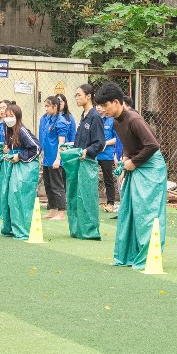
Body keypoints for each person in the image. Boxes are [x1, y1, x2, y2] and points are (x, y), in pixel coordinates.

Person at [96, 82, 168, 269]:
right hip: (136, 165)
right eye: (101, 106)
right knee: (129, 210)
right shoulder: (116, 122)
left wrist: (133, 163)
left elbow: (153, 145)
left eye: (105, 105)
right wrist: (125, 161)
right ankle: (128, 256)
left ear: (116, 102)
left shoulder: (134, 119)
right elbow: (128, 145)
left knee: (147, 212)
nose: (103, 109)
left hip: (151, 167)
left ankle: (148, 257)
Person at [60, 84, 106, 240]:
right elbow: (80, 141)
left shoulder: (95, 117)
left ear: (89, 96)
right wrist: (70, 146)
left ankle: (90, 231)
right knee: (74, 196)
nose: (76, 98)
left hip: (87, 164)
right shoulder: (83, 115)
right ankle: (77, 229)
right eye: (76, 95)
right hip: (77, 163)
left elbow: (99, 143)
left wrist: (87, 151)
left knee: (86, 198)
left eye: (79, 95)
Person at [0, 104, 42, 240]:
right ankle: (11, 227)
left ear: (17, 117)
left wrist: (19, 156)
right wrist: (8, 150)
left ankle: (23, 229)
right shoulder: (8, 130)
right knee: (10, 196)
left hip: (25, 168)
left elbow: (36, 148)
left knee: (19, 195)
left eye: (11, 116)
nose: (8, 119)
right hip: (14, 166)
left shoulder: (22, 131)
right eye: (6, 116)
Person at [39, 96, 69, 221]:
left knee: (57, 186)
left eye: (48, 106)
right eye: (45, 106)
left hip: (55, 159)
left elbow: (61, 142)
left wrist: (58, 159)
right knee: (48, 185)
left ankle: (61, 213)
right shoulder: (48, 120)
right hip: (47, 159)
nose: (46, 109)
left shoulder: (61, 121)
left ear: (55, 106)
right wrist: (43, 156)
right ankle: (52, 210)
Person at [95, 103, 119, 212]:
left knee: (108, 179)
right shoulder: (93, 119)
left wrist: (106, 143)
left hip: (107, 155)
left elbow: (117, 138)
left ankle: (110, 203)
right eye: (97, 105)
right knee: (91, 179)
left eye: (101, 105)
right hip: (94, 154)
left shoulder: (111, 120)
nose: (98, 107)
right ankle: (91, 203)